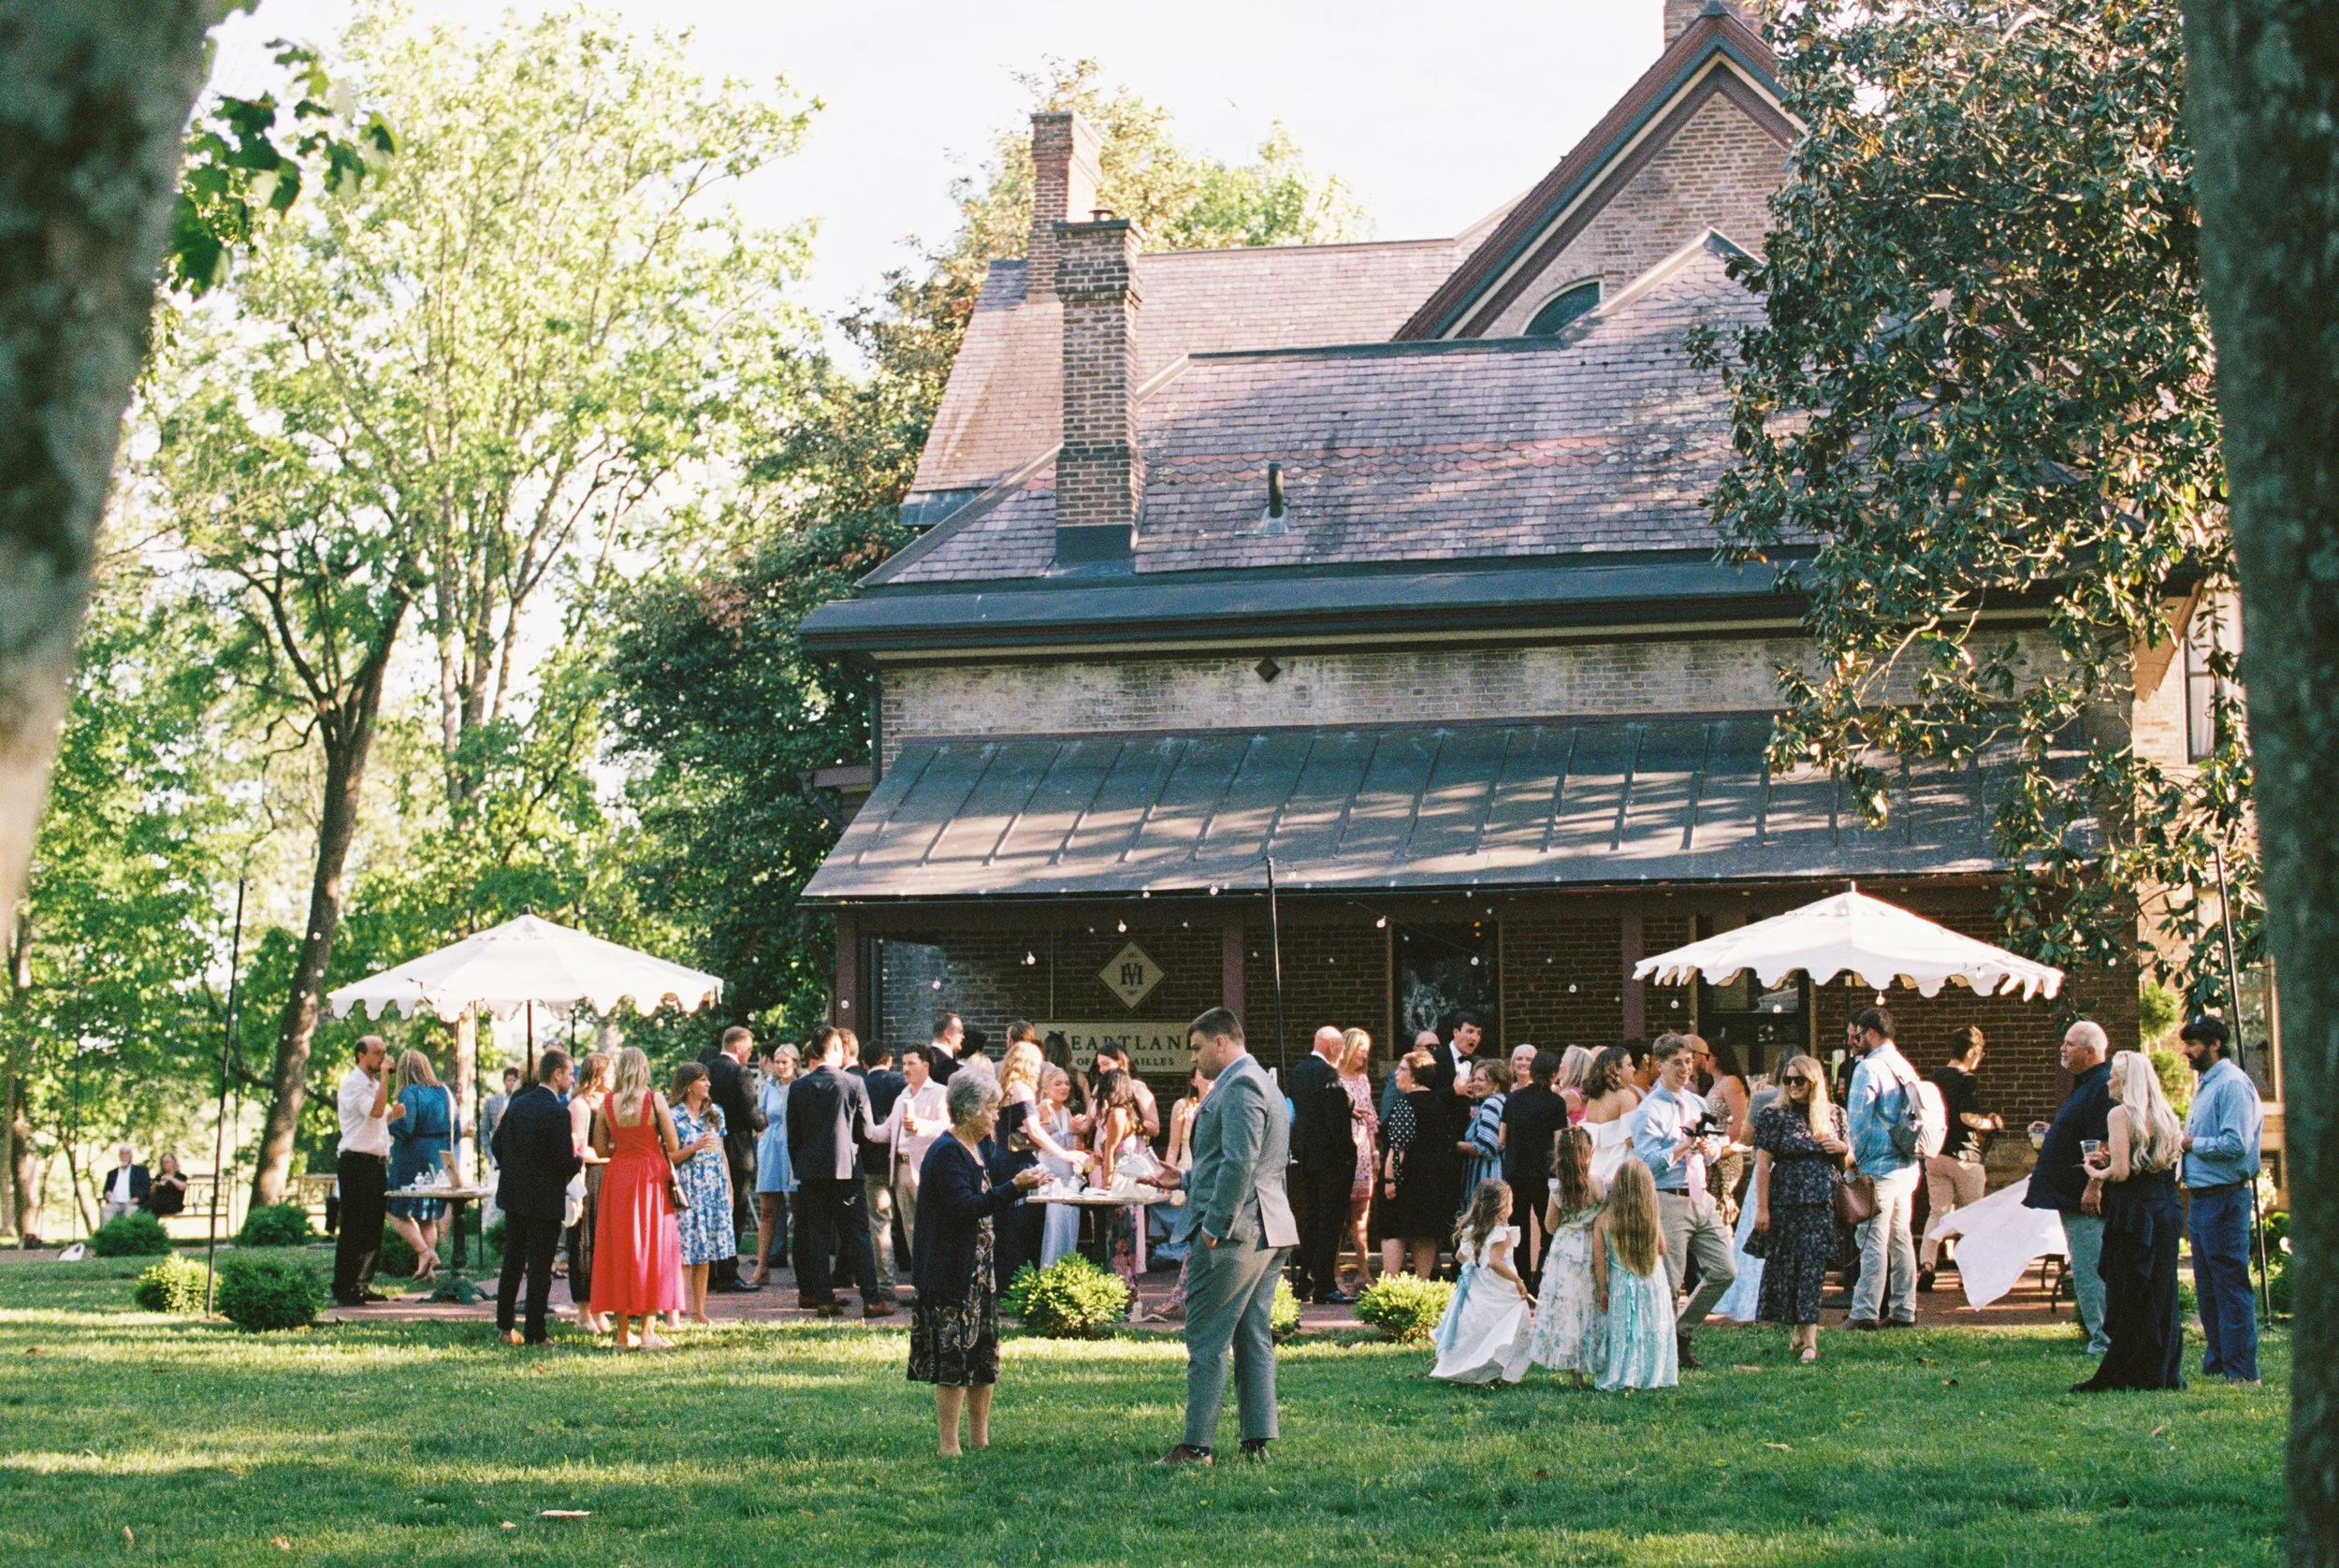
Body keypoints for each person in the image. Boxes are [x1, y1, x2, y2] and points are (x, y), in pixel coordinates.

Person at [1141, 1007, 1298, 1467]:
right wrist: (1184, 1180)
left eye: (1196, 1048)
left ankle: (1196, 1447)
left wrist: (1214, 1225)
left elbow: (1240, 1162)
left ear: (1221, 1042)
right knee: (1253, 1334)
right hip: (1268, 1227)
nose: (1194, 1060)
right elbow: (1229, 1161)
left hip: (1237, 1232)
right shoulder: (1262, 1082)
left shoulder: (1240, 1084)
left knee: (1206, 1339)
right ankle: (1256, 1440)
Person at [908, 1071, 1050, 1456]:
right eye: (990, 1109)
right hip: (951, 1271)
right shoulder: (946, 1152)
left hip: (980, 1272)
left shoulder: (979, 1148)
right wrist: (1014, 1189)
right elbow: (963, 1208)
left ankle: (980, 1438)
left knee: (984, 1356)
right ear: (969, 1110)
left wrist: (1026, 1178)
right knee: (953, 1360)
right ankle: (948, 1444)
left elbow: (996, 1186)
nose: (994, 1117)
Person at [2072, 1050, 2187, 1393]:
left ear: (2127, 1081)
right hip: (2166, 1207)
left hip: (2135, 1210)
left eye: (2114, 1076)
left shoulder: (2120, 1114)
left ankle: (2126, 1370)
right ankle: (2162, 1370)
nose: (2108, 1080)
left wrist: (2095, 1171)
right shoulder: (2165, 1113)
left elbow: (2121, 1172)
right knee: (2161, 1290)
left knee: (2129, 1291)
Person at [1628, 1033, 1736, 1367]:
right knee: (1670, 1281)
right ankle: (1663, 1351)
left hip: (1700, 1196)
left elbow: (1717, 1147)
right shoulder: (1649, 1110)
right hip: (1668, 1199)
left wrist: (1708, 1148)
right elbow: (1646, 1162)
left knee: (1725, 1270)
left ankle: (1681, 1331)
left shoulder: (1699, 1103)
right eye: (1677, 1063)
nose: (1685, 1069)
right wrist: (1681, 1146)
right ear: (1658, 1065)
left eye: (1689, 1062)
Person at [2178, 1014, 2264, 1385]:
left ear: (2216, 1044)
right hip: (2202, 1199)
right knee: (2209, 1286)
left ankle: (2243, 1372)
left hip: (2226, 1198)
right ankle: (2219, 1362)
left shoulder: (2231, 1085)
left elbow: (2236, 1144)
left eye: (2195, 1043)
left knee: (2229, 1284)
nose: (2187, 1051)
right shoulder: (2207, 1084)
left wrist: (2194, 1144)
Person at [1750, 1054, 1851, 1364]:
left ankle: (1809, 1338)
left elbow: (1848, 1163)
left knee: (1813, 1268)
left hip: (1820, 1202)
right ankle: (1798, 1328)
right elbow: (1763, 1164)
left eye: (1800, 1081)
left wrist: (1843, 1149)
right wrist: (1762, 1208)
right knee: (1786, 1267)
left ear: (1814, 1083)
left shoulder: (1834, 1115)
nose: (1793, 1086)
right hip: (1785, 1199)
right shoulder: (1774, 1115)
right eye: (1788, 1080)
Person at [2023, 1020, 2114, 1356]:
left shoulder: (2101, 1084)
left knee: (2090, 1268)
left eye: (2070, 1044)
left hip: (2083, 1198)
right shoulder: (2086, 1085)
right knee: (2086, 1265)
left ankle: (2103, 1342)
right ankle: (2102, 1336)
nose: (2063, 1048)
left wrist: (2093, 1188)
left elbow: (2102, 1145)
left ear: (2091, 1051)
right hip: (2071, 1195)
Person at [788, 1024, 890, 1318]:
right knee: (857, 1235)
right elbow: (867, 1131)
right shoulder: (853, 1084)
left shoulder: (798, 1086)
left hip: (810, 1172)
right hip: (845, 1170)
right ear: (835, 1049)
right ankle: (871, 1299)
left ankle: (823, 1298)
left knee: (817, 1236)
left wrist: (802, 1166)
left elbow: (793, 1135)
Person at [589, 1046, 684, 1350]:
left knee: (618, 1249)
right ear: (644, 1069)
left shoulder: (606, 1104)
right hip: (651, 1178)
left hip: (618, 1179)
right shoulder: (654, 1100)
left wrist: (624, 1150)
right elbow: (672, 1142)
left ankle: (621, 1335)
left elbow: (601, 1149)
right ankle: (647, 1333)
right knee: (652, 1248)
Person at [492, 1050, 582, 1346]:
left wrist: (514, 1168)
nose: (572, 1080)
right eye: (570, 1074)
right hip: (544, 1199)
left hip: (515, 1194)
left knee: (513, 1262)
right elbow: (562, 1162)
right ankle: (536, 1331)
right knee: (540, 1267)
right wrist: (578, 1161)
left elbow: (496, 1143)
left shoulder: (517, 1104)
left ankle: (505, 1326)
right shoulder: (557, 1112)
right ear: (556, 1074)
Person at [1841, 1007, 1920, 1331]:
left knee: (1872, 1238)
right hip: (1907, 1163)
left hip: (1877, 1167)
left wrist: (1855, 1163)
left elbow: (1857, 1122)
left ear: (1871, 1033)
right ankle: (1904, 1310)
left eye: (1857, 1035)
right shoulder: (1904, 1065)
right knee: (1901, 1239)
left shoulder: (1868, 1068)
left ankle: (1864, 1312)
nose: (1854, 1041)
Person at [1430, 1179, 1534, 1385]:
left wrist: (1476, 1263)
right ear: (1501, 1207)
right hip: (1500, 1286)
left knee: (1477, 1323)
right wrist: (1518, 1280)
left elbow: (1460, 1256)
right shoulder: (1501, 1233)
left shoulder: (1473, 1230)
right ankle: (1503, 1371)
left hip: (1479, 1284)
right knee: (1515, 1323)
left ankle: (1474, 1365)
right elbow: (1496, 1263)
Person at [1920, 1026, 2001, 1291]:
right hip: (1965, 1156)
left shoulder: (1933, 1078)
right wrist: (1989, 1123)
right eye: (1979, 1054)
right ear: (1971, 1052)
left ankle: (1927, 1266)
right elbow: (1967, 1117)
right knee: (1973, 1217)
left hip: (1936, 1154)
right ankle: (1967, 1273)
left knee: (1937, 1213)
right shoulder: (1969, 1080)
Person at [1591, 1156, 1678, 1391]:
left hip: (1621, 1283)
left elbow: (1599, 1260)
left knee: (1624, 1331)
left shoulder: (1603, 1220)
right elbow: (1661, 1248)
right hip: (1651, 1280)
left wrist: (1602, 1289)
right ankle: (1652, 1373)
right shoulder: (1650, 1218)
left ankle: (1624, 1374)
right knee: (1651, 1327)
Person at [1287, 1024, 1358, 1305]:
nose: (1342, 1056)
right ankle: (1325, 1284)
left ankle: (1305, 1279)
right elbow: (1334, 1120)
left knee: (1313, 1219)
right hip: (1332, 1160)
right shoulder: (1328, 1073)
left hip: (1308, 1156)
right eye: (1341, 1050)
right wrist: (1348, 1152)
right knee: (1331, 1222)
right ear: (1332, 1048)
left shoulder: (1299, 1071)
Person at [1528, 1125, 1603, 1385]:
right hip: (1593, 1244)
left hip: (1566, 1246)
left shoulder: (1558, 1187)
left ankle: (1576, 1372)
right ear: (1590, 1152)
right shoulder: (1599, 1183)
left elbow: (1550, 1225)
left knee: (1569, 1304)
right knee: (1589, 1301)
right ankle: (1594, 1358)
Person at [668, 1062, 734, 1325]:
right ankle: (675, 1311)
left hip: (712, 1186)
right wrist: (695, 1146)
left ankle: (699, 1310)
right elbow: (670, 1157)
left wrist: (728, 1184)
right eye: (702, 1080)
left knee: (704, 1252)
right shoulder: (674, 1117)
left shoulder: (715, 1113)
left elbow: (722, 1152)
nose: (708, 1085)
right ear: (688, 1087)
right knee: (685, 1252)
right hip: (687, 1187)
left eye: (708, 1080)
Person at [700, 1026, 763, 1294]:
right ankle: (728, 1272)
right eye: (748, 1049)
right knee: (734, 1212)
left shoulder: (705, 1069)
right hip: (736, 1150)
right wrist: (762, 1120)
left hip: (708, 1148)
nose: (749, 1055)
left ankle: (711, 1272)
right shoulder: (740, 1072)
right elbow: (751, 1115)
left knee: (712, 1212)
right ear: (738, 1048)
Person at [332, 1036, 395, 1307]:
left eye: (384, 1053)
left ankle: (362, 1283)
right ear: (361, 1055)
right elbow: (376, 1111)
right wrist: (385, 1080)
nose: (382, 1058)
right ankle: (344, 1286)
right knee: (354, 1226)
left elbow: (379, 1119)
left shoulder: (372, 1085)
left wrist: (396, 1114)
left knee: (372, 1226)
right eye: (376, 1053)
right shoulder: (352, 1085)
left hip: (376, 1162)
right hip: (356, 1162)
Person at [386, 1050, 459, 1285]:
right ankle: (429, 1272)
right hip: (437, 1161)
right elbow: (456, 1132)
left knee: (393, 1210)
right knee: (426, 1217)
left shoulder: (410, 1092)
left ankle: (424, 1252)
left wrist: (388, 1123)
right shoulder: (446, 1093)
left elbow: (406, 1128)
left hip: (411, 1159)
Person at [1378, 1051, 1449, 1280]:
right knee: (1425, 1233)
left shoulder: (1405, 1104)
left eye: (1402, 1069)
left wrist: (1390, 1180)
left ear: (1415, 1074)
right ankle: (1423, 1287)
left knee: (1393, 1231)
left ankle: (1389, 1286)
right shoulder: (1438, 1103)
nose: (1397, 1074)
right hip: (1433, 1180)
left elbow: (1398, 1147)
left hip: (1406, 1179)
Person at [1499, 1049, 1567, 1280]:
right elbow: (1559, 1143)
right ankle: (1541, 1277)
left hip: (1515, 1169)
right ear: (1554, 1073)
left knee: (1518, 1226)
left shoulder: (1513, 1098)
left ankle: (1520, 1278)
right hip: (1543, 1172)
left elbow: (1501, 1139)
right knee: (1547, 1226)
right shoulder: (1556, 1102)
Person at [882, 1046, 952, 1274]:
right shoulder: (902, 1095)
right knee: (910, 1228)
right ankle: (921, 1282)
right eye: (903, 1064)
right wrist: (861, 1128)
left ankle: (935, 1280)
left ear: (926, 1065)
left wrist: (920, 1126)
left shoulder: (940, 1093)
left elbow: (948, 1126)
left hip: (927, 1168)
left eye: (911, 1063)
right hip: (902, 1167)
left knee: (932, 1226)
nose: (905, 1069)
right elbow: (887, 1131)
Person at [564, 1052, 613, 1331]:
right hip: (589, 1178)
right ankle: (584, 1311)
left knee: (604, 1244)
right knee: (584, 1242)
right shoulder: (580, 1105)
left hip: (608, 1178)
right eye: (610, 1072)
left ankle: (600, 1307)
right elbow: (578, 1149)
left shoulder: (609, 1102)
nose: (614, 1078)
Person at [860, 1039, 910, 1300]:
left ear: (864, 1063)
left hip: (872, 1162)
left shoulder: (860, 1084)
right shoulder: (902, 1084)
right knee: (911, 1221)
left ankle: (886, 1285)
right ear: (889, 1060)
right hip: (902, 1159)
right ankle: (919, 1284)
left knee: (879, 1223)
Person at [1091, 1069, 1151, 1286]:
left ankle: (1120, 1289)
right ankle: (1126, 1289)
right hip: (1127, 1184)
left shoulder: (1117, 1113)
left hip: (1120, 1185)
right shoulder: (1127, 1112)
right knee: (1123, 1239)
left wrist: (1107, 1184)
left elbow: (1110, 1152)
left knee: (1117, 1241)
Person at [748, 1044, 798, 1289]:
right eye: (777, 1062)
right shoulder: (770, 1087)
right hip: (771, 1148)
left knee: (800, 1209)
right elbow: (762, 1118)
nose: (779, 1067)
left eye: (784, 1062)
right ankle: (762, 1266)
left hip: (793, 1148)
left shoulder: (801, 1086)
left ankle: (803, 1266)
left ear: (795, 1064)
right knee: (768, 1207)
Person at [1336, 1029, 1380, 1293]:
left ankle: (1364, 1272)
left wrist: (1374, 1152)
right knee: (1337, 1217)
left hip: (1363, 1151)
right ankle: (1336, 1274)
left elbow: (1371, 1120)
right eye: (1361, 1048)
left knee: (1361, 1217)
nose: (1365, 1054)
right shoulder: (1334, 1079)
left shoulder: (1363, 1080)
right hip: (1342, 1152)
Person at [1689, 1035, 1751, 1221]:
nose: (1702, 1061)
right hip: (1712, 1154)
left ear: (1716, 1058)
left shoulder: (1730, 1082)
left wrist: (1723, 1149)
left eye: (1706, 1056)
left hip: (1726, 1154)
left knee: (1722, 1210)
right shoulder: (1713, 1084)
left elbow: (1740, 1122)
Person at [1035, 1065, 1089, 1267]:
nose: (1064, 1087)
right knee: (1054, 1227)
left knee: (1070, 1225)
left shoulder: (1067, 1111)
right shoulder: (1042, 1108)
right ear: (1046, 1087)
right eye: (1058, 1084)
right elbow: (1041, 1139)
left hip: (1068, 1175)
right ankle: (1049, 1270)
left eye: (1067, 1083)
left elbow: (1073, 1144)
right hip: (1051, 1173)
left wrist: (1077, 1134)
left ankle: (1067, 1269)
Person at [1581, 1045, 1642, 1187]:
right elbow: (1630, 1138)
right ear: (1616, 1069)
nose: (1634, 1069)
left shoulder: (1593, 1100)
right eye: (1629, 1064)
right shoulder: (1626, 1097)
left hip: (1595, 1167)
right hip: (1620, 1165)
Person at [1459, 1060, 1507, 1211]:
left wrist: (1457, 1146)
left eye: (1480, 1079)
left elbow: (1487, 1146)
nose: (1474, 1084)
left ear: (1496, 1083)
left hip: (1486, 1176)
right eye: (1473, 1080)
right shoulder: (1503, 1101)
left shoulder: (1492, 1104)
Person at [98, 1145, 149, 1226]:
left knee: (130, 1213)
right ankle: (107, 1237)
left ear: (131, 1156)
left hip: (131, 1202)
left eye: (127, 1154)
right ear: (119, 1156)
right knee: (105, 1210)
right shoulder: (112, 1173)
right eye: (122, 1154)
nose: (124, 1156)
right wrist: (107, 1193)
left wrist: (138, 1198)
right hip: (114, 1203)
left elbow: (146, 1187)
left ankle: (126, 1237)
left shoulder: (140, 1171)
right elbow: (106, 1189)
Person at [481, 1067, 519, 1167]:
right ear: (504, 1081)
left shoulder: (522, 1103)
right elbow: (483, 1131)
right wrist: (490, 1155)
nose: (511, 1083)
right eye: (509, 1080)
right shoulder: (492, 1102)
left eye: (514, 1081)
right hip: (496, 1153)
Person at [1554, 1045, 1597, 1125]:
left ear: (1572, 1068)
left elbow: (1552, 1121)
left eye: (1562, 1062)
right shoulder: (1584, 1091)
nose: (1559, 1066)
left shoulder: (1568, 1095)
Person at [141, 1152, 188, 1219]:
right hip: (158, 1204)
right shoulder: (159, 1176)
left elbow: (183, 1187)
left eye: (168, 1162)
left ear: (174, 1163)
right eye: (163, 1162)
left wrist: (171, 1179)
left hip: (174, 1204)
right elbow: (151, 1194)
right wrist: (155, 1185)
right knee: (148, 1204)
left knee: (150, 1206)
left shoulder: (180, 1176)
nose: (165, 1164)